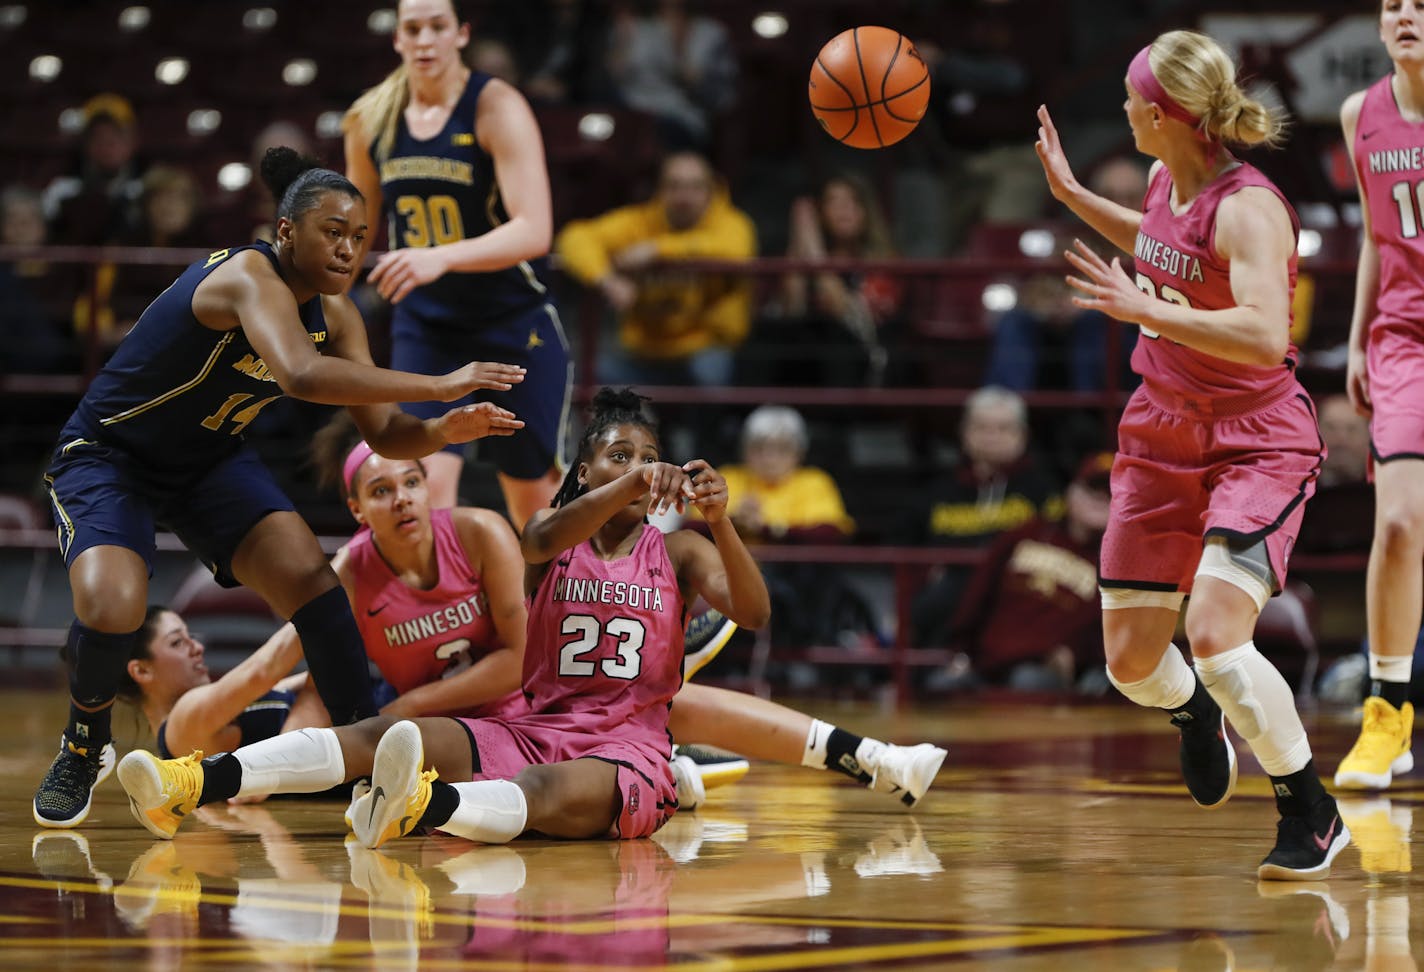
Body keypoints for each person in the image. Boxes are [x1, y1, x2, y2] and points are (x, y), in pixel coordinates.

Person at [117, 394, 945, 832]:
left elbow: (755, 613)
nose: (406, 497)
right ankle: (192, 784)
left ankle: (853, 756)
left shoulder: (650, 547)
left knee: (657, 711)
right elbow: (546, 530)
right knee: (378, 738)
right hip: (527, 717)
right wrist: (622, 485)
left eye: (412, 481)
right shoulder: (539, 534)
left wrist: (720, 520)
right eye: (618, 456)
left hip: (597, 724)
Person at [32, 145, 527, 830]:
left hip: (206, 459)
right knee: (114, 601)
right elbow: (298, 374)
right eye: (334, 232)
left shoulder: (341, 313)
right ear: (287, 230)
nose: (349, 249)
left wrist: (443, 427)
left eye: (360, 238)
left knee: (316, 589)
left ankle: (367, 762)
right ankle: (84, 743)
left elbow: (385, 434)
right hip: (111, 454)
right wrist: (438, 381)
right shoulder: (247, 276)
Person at [1035, 29, 1349, 879]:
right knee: (1134, 665)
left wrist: (1142, 305)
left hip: (1255, 440)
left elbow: (1259, 333)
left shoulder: (1251, 207)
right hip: (1160, 431)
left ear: (1163, 113)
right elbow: (1163, 244)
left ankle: (1310, 810)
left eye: (1132, 101)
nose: (1124, 113)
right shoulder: (1166, 177)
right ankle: (1194, 713)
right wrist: (1070, 196)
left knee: (1215, 633)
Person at [343, 0, 570, 526]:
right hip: (427, 327)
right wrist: (310, 304)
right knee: (422, 483)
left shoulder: (497, 105)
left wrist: (437, 259)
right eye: (413, 29)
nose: (425, 40)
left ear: (461, 33)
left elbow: (535, 229)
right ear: (396, 38)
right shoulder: (369, 118)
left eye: (437, 27)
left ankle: (536, 603)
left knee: (532, 503)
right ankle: (444, 607)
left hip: (511, 322)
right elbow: (354, 233)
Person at [1333, 0, 1424, 792]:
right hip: (1406, 342)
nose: (1406, 16)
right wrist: (1361, 335)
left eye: (1422, 5)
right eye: (1394, 4)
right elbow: (1372, 231)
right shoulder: (1360, 112)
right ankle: (1387, 713)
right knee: (1397, 522)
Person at [555, 150, 757, 390]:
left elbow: (737, 252)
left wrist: (657, 249)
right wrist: (606, 280)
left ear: (710, 191)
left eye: (695, 187)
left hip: (703, 347)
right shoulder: (641, 222)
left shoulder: (731, 223)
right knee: (587, 375)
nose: (684, 197)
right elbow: (573, 237)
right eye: (674, 186)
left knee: (710, 374)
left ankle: (706, 429)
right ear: (660, 190)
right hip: (644, 353)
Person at [929, 451, 1111, 694]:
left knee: (1026, 681)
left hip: (1043, 670)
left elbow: (1112, 636)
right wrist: (961, 652)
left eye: (1111, 494)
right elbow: (978, 594)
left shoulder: (1122, 562)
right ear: (1071, 492)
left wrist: (1079, 659)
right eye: (1092, 488)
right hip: (986, 662)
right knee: (939, 687)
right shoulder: (1027, 533)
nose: (1100, 498)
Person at [909, 385, 1062, 647]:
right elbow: (904, 548)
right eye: (981, 427)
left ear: (1022, 435)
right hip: (945, 606)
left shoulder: (1043, 491)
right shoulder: (935, 493)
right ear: (964, 433)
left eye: (1003, 428)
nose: (991, 436)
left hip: (1017, 600)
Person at [756, 173, 905, 388]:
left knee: (835, 337)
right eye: (833, 201)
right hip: (806, 356)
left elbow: (852, 318)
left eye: (852, 201)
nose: (843, 210)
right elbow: (791, 309)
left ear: (866, 210)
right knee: (769, 334)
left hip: (859, 357)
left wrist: (815, 255)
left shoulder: (884, 261)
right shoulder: (809, 253)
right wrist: (799, 241)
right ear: (821, 213)